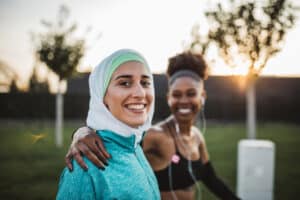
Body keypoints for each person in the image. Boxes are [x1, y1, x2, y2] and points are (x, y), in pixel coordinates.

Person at [66, 52, 240, 200]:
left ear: (202, 97)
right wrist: (81, 133)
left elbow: (211, 179)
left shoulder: (196, 137)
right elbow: (119, 141)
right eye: (177, 94)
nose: (184, 101)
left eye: (191, 94)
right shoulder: (157, 136)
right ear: (168, 97)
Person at [56, 49, 160, 200]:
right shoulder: (85, 166)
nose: (140, 93)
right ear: (102, 95)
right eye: (125, 83)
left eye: (145, 83)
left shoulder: (135, 148)